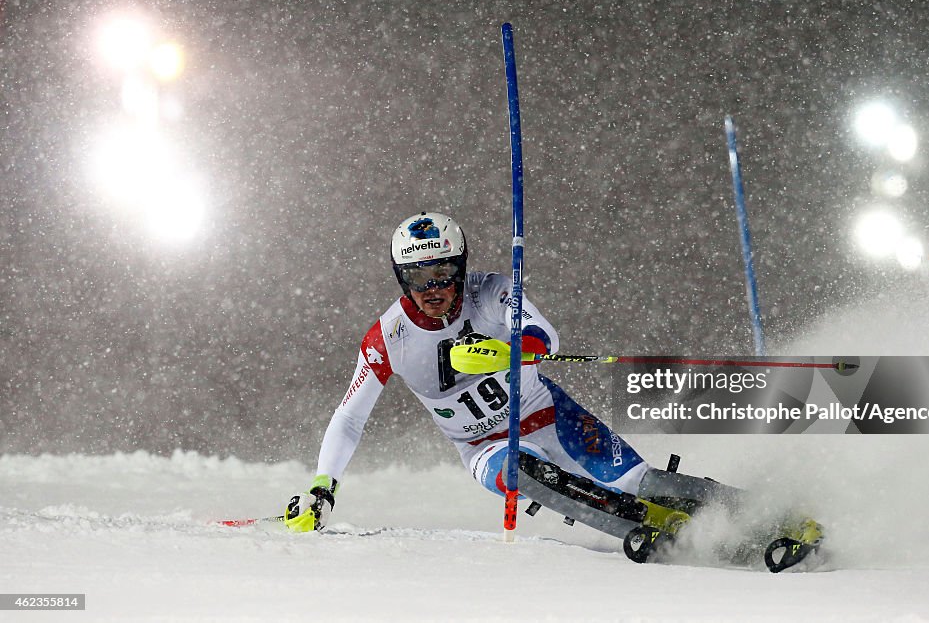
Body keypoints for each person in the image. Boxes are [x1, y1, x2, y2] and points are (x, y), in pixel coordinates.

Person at [284, 211, 821, 567]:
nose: (434, 288)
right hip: (483, 446)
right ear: (402, 278)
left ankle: (777, 516)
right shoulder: (389, 337)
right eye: (418, 275)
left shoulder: (492, 291)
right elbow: (350, 417)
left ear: (461, 266)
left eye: (444, 270)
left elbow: (544, 335)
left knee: (646, 479)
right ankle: (641, 525)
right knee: (518, 471)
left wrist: (511, 347)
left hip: (548, 414)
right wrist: (322, 485)